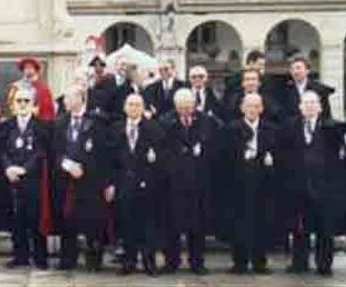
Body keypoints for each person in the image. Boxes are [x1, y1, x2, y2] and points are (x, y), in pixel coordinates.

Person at [280, 91, 345, 276]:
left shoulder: (331, 127)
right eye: (305, 103)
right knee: (300, 229)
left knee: (325, 229)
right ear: (300, 107)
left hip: (324, 187)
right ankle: (299, 263)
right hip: (298, 186)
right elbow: (284, 154)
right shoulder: (290, 126)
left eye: (313, 103)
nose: (309, 106)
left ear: (320, 106)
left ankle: (324, 265)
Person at [53, 85, 115, 271]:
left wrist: (107, 182)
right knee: (67, 220)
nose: (65, 101)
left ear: (81, 98)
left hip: (92, 182)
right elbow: (55, 151)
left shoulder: (97, 122)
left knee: (92, 222)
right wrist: (66, 165)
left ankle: (94, 260)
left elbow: (105, 155)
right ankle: (67, 259)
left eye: (69, 97)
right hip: (67, 181)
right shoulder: (60, 122)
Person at [159, 89, 217, 275]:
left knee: (197, 226)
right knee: (171, 226)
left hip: (198, 182)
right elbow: (162, 151)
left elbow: (213, 147)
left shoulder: (206, 121)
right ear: (175, 106)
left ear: (194, 104)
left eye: (188, 106)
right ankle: (171, 261)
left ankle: (197, 262)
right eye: (181, 107)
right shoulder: (166, 121)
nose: (185, 110)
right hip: (173, 183)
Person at [224, 93, 279, 274]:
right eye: (249, 106)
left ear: (262, 109)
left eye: (256, 106)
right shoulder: (232, 128)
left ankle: (259, 262)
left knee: (261, 223)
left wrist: (271, 160)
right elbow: (224, 157)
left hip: (264, 184)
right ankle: (239, 262)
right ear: (242, 108)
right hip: (239, 184)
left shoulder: (270, 129)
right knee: (239, 223)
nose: (252, 110)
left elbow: (280, 155)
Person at [0, 86, 51, 269]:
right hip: (11, 180)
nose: (22, 104)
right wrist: (8, 167)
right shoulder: (6, 126)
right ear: (13, 104)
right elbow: (1, 151)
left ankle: (40, 258)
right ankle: (20, 256)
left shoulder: (42, 126)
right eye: (18, 101)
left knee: (36, 219)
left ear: (34, 104)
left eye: (26, 101)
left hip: (33, 181)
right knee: (16, 220)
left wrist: (24, 169)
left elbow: (42, 152)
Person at [113, 94, 163, 275]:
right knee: (126, 224)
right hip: (123, 183)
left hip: (146, 185)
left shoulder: (153, 128)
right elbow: (110, 159)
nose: (133, 108)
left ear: (143, 108)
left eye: (137, 105)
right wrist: (110, 184)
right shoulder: (116, 128)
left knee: (148, 225)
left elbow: (160, 159)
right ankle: (129, 261)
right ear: (125, 107)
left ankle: (149, 261)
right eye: (130, 104)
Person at [280, 56, 335, 120]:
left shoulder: (319, 89)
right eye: (292, 69)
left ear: (307, 70)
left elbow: (326, 114)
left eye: (298, 68)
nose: (295, 71)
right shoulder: (285, 89)